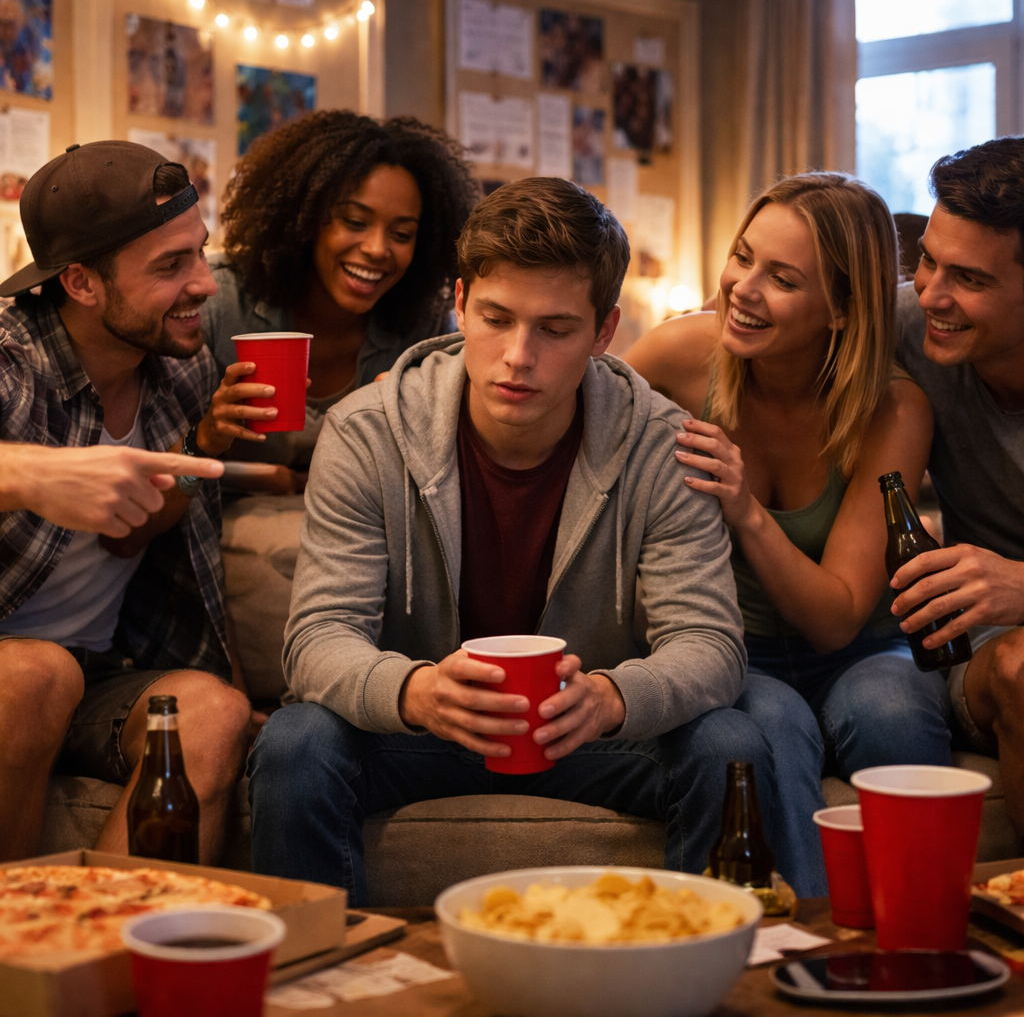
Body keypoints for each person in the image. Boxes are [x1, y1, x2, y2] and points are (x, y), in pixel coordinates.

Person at [246, 177, 777, 905]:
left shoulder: (662, 443)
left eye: (555, 330)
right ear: (460, 303)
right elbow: (318, 638)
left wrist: (613, 699)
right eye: (496, 317)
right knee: (296, 740)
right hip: (423, 729)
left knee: (729, 745)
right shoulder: (366, 432)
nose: (517, 356)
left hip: (587, 732)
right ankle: (314, 982)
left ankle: (687, 974)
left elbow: (711, 644)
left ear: (603, 331)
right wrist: (413, 690)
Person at [625, 172, 947, 898]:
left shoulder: (893, 410)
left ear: (840, 309)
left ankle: (923, 932)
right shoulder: (681, 356)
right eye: (743, 257)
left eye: (782, 278)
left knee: (890, 710)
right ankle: (805, 957)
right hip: (732, 648)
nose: (742, 286)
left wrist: (745, 508)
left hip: (863, 645)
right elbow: (567, 409)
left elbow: (836, 616)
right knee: (771, 727)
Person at [0, 141, 274, 862]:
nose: (205, 287)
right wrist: (26, 475)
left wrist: (199, 454)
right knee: (35, 675)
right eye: (169, 266)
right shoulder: (8, 359)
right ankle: (16, 954)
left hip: (99, 670)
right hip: (19, 673)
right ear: (84, 283)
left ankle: (109, 953)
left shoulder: (181, 371)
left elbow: (144, 544)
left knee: (212, 714)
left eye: (198, 253)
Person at [200, 110, 478, 493]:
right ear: (306, 217)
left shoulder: (423, 331)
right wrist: (214, 436)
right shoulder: (218, 301)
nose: (377, 249)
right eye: (354, 222)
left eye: (401, 233)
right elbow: (161, 462)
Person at [891, 137, 1024, 834]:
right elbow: (745, 329)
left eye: (969, 279)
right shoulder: (913, 324)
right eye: (927, 261)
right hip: (993, 658)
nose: (932, 295)